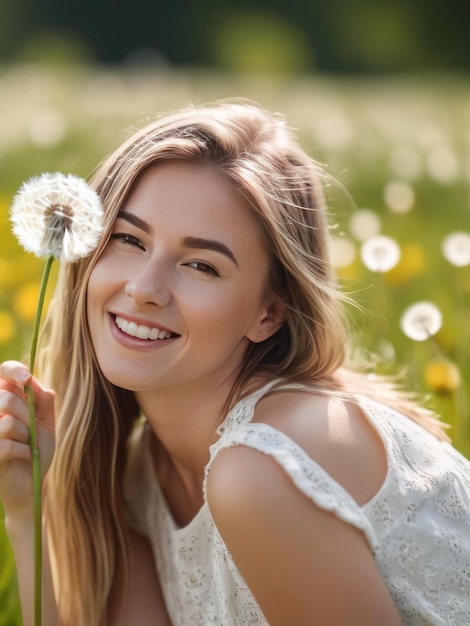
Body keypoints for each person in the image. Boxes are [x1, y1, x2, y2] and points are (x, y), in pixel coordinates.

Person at [0, 101, 469, 626]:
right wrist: (32, 506)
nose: (144, 288)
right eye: (128, 239)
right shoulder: (143, 474)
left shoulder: (260, 467)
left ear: (269, 314)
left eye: (201, 264)